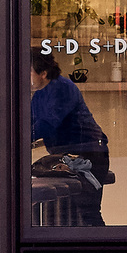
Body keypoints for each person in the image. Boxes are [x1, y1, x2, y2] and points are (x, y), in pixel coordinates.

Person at [29, 49, 110, 223]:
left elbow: (48, 123)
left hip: (89, 156)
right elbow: (29, 121)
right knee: (70, 212)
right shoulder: (40, 94)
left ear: (43, 73)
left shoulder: (62, 88)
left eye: (28, 71)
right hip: (69, 157)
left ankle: (101, 248)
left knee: (87, 212)